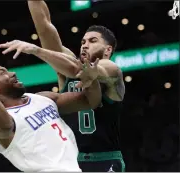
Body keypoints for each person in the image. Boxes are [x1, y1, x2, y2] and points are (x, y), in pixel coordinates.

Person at [0, 36, 102, 172]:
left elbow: (90, 101)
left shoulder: (43, 98)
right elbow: (5, 125)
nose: (12, 73)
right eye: (2, 73)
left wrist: (90, 80)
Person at [27, 1, 126, 172]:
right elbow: (45, 27)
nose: (85, 45)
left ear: (108, 50)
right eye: (83, 41)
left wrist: (39, 51)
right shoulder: (67, 70)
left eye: (93, 41)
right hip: (70, 160)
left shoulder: (112, 69)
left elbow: (96, 70)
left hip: (105, 159)